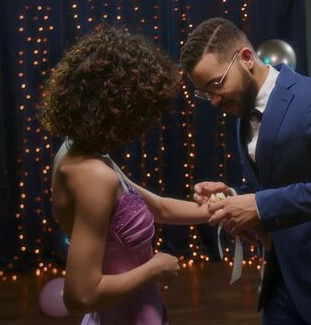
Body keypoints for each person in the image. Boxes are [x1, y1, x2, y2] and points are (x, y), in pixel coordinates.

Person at [180, 17, 311, 325]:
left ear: (245, 58)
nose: (213, 101)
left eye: (216, 85)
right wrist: (233, 197)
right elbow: (282, 179)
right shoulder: (243, 113)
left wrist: (260, 205)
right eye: (205, 93)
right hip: (283, 277)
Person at [38, 27, 211, 324]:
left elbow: (159, 207)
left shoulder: (82, 150)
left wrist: (222, 209)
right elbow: (79, 296)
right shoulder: (92, 175)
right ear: (120, 109)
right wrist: (154, 270)